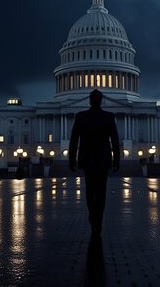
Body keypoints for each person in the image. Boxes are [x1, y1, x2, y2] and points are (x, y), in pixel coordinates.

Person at [69, 89, 120, 239]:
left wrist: (72, 159)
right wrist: (116, 159)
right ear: (101, 100)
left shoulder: (81, 117)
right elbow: (115, 141)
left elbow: (74, 141)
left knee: (90, 189)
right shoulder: (109, 117)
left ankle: (93, 216)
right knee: (101, 191)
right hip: (103, 159)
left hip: (87, 158)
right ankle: (99, 218)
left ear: (89, 100)